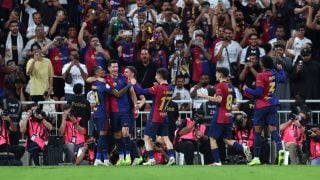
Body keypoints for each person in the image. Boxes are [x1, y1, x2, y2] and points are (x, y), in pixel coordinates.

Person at [199, 67, 251, 166]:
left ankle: (217, 161)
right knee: (226, 139)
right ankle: (243, 148)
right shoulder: (231, 86)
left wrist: (206, 97)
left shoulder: (219, 85)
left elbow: (218, 100)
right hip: (229, 115)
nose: (215, 75)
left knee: (212, 138)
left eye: (216, 73)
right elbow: (235, 101)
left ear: (220, 74)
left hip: (220, 116)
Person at [243, 55, 286, 166]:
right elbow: (283, 78)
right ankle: (281, 152)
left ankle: (256, 158)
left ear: (262, 64)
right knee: (273, 130)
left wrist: (246, 89)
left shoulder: (261, 76)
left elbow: (258, 92)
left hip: (262, 105)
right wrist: (281, 69)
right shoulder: (274, 74)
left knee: (257, 131)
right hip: (272, 104)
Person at [131, 68, 176, 166]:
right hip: (164, 115)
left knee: (146, 138)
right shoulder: (171, 88)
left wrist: (134, 83)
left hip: (155, 116)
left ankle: (151, 159)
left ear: (159, 76)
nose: (155, 76)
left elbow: (140, 91)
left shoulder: (158, 88)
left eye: (156, 75)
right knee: (166, 138)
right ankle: (172, 157)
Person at [88, 66, 130, 166]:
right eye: (101, 70)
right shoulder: (103, 85)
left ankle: (105, 159)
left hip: (97, 112)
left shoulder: (94, 84)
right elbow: (117, 94)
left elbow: (89, 79)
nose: (103, 71)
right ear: (96, 73)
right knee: (103, 135)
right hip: (103, 112)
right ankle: (98, 158)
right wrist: (129, 85)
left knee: (103, 135)